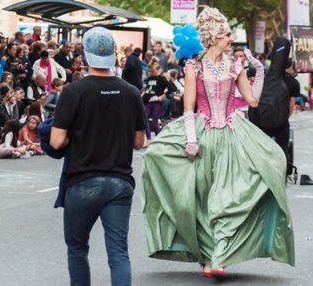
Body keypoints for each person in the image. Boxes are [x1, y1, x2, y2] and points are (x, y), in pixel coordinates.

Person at [141, 7, 295, 278]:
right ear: (213, 37)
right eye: (226, 34)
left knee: (230, 196)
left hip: (232, 134)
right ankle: (206, 256)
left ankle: (221, 254)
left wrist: (258, 70)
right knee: (198, 198)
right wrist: (190, 140)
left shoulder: (235, 65)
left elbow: (253, 101)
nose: (231, 39)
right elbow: (188, 107)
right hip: (200, 134)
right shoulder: (193, 67)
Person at [50, 27, 147, 286]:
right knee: (118, 253)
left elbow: (57, 140)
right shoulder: (131, 92)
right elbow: (139, 142)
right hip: (119, 182)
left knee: (78, 249)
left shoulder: (73, 92)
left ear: (84, 54)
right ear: (114, 56)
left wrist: (78, 134)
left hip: (82, 181)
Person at [141, 57, 175, 148]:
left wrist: (163, 96)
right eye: (149, 71)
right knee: (145, 120)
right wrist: (142, 95)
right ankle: (148, 139)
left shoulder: (161, 79)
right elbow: (147, 90)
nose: (149, 73)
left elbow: (172, 88)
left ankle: (159, 140)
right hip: (147, 101)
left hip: (156, 102)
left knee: (155, 122)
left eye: (151, 71)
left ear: (155, 70)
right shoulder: (148, 79)